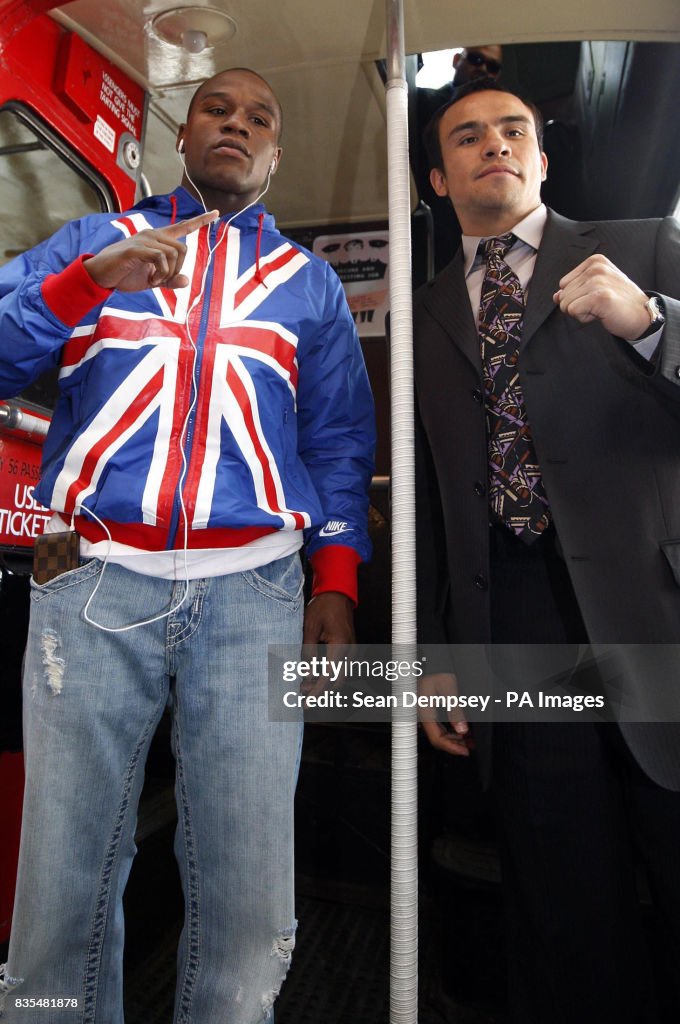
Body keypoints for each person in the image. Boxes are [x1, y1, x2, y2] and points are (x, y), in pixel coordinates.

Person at [0, 67, 375, 1022]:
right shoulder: (95, 240)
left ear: (276, 155)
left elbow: (336, 442)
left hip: (256, 595)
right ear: (182, 132)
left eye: (260, 117)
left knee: (251, 899)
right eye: (218, 108)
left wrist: (335, 576)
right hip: (90, 589)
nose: (237, 125)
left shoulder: (312, 286)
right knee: (60, 887)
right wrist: (89, 282)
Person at [414, 79, 680, 1023]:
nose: (496, 144)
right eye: (469, 136)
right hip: (511, 616)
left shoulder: (645, 246)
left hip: (657, 611)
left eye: (514, 130)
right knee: (565, 902)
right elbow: (432, 504)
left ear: (543, 158)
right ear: (439, 178)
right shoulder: (427, 312)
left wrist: (653, 324)